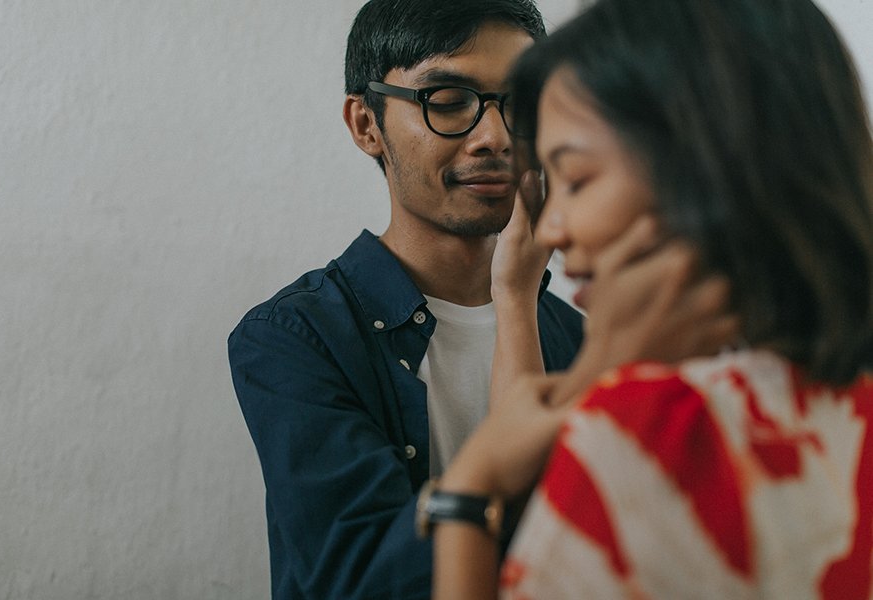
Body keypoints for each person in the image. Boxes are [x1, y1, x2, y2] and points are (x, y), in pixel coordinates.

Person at [229, 0, 734, 598]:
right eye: (447, 102)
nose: (494, 137)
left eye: (521, 104)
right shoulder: (294, 337)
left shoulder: (577, 336)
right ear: (367, 125)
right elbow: (359, 578)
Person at [429, 0, 873, 598]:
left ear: (706, 164)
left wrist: (468, 490)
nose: (552, 227)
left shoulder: (656, 431)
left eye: (578, 179)